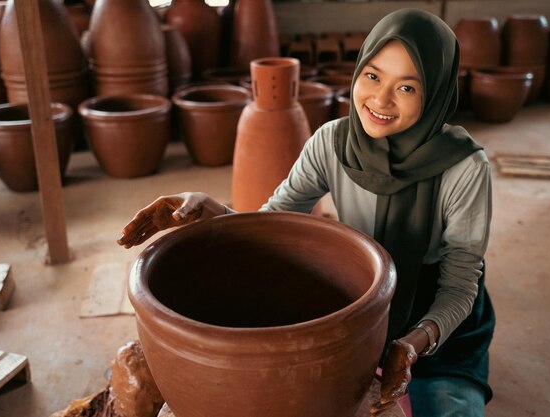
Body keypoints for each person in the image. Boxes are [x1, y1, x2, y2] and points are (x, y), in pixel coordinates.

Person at [118, 8, 494, 417]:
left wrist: (415, 342)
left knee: (449, 410)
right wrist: (211, 213)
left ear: (437, 91)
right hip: (360, 295)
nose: (380, 100)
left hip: (432, 308)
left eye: (407, 88)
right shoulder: (332, 142)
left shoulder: (464, 168)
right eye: (372, 76)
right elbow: (272, 224)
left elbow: (459, 286)